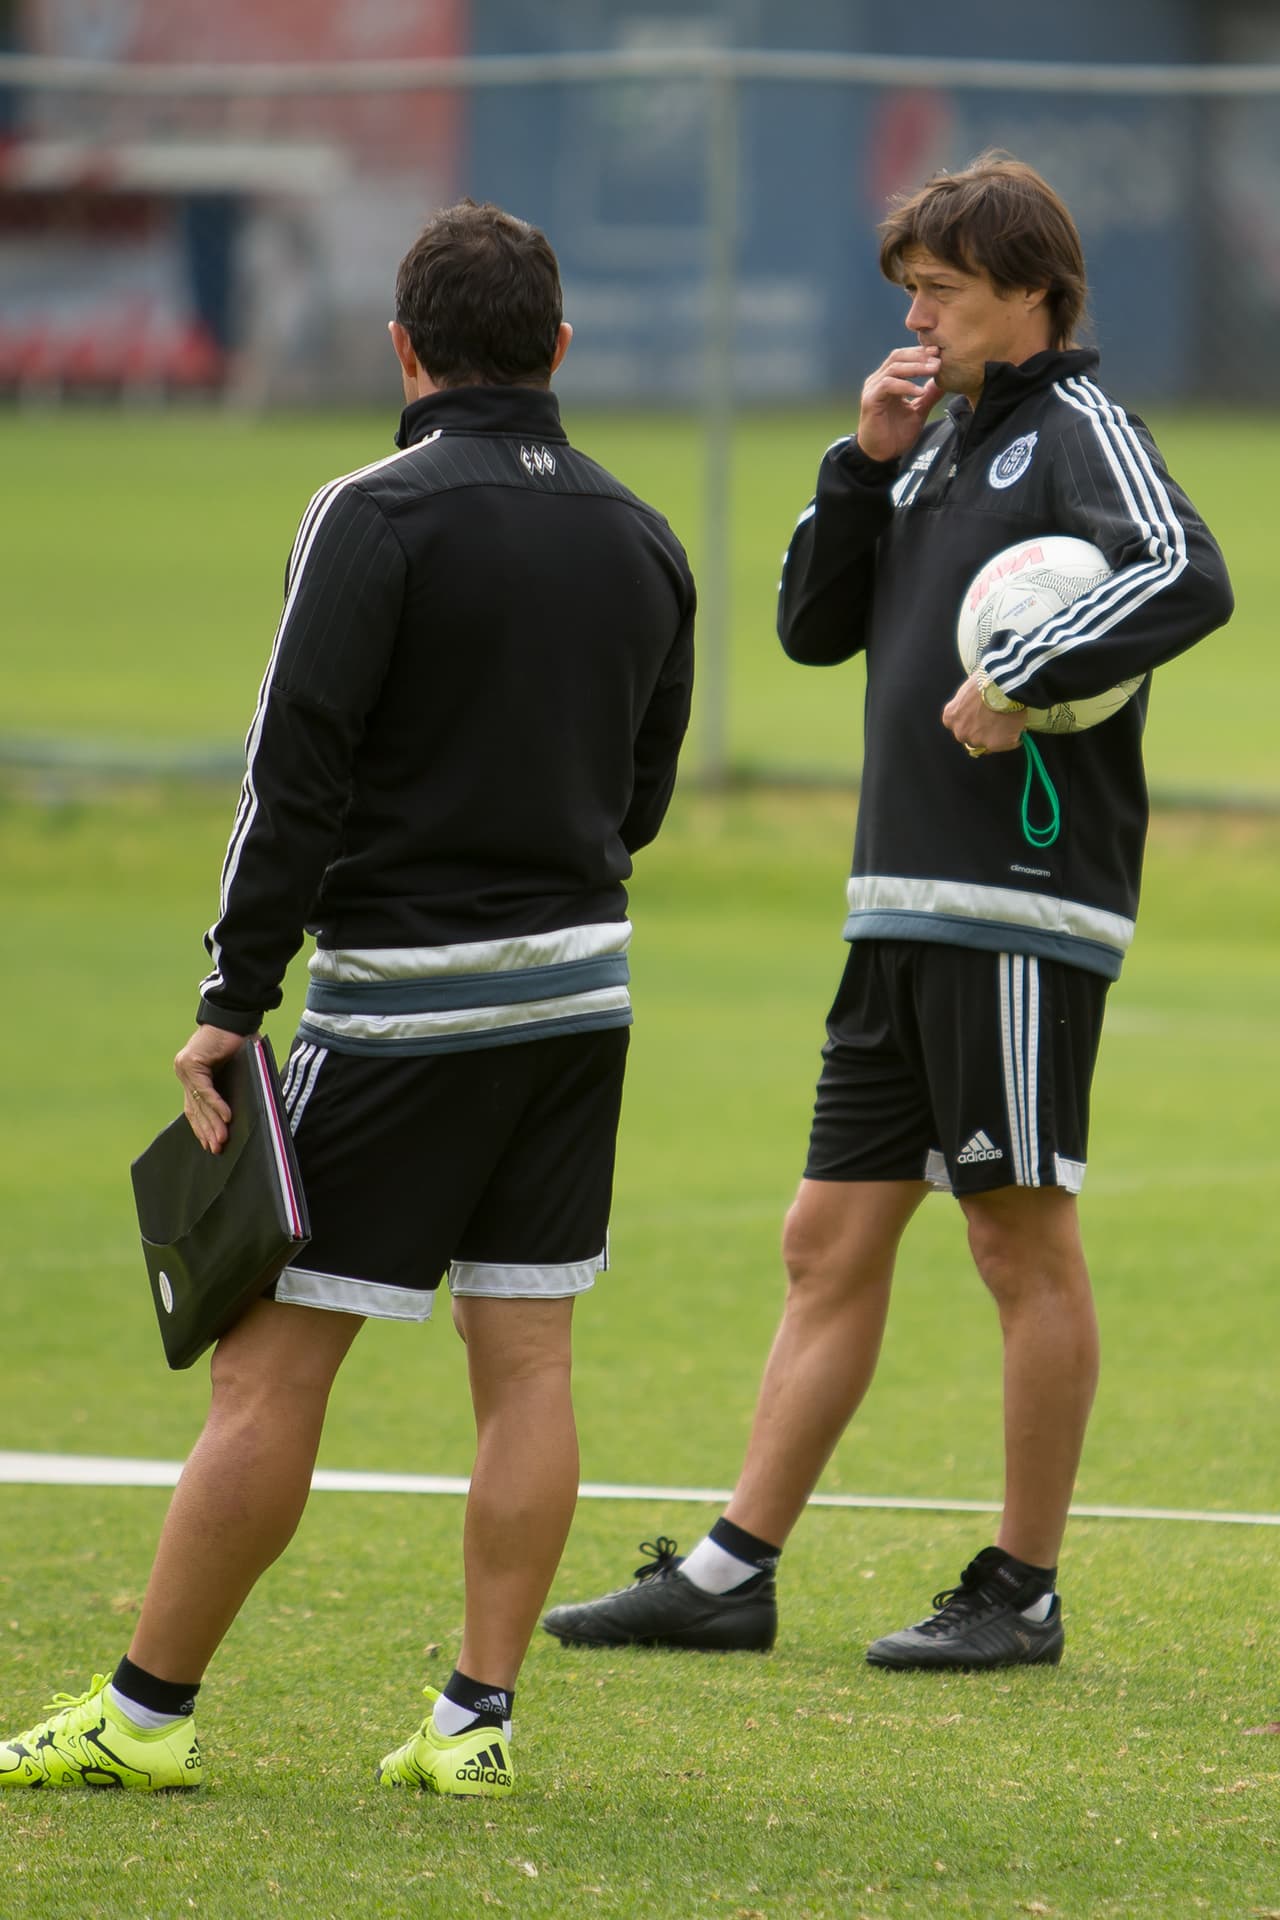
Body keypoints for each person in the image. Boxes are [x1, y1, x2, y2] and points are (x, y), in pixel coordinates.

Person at [0, 200, 694, 1795]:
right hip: (582, 996)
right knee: (528, 1364)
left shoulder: (369, 515)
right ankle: (478, 1725)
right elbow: (640, 794)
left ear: (403, 351)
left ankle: (143, 1715)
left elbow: (290, 781)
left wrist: (230, 997)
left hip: (398, 1013)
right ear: (560, 351)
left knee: (267, 1368)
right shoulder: (645, 531)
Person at [542, 151, 1233, 1672]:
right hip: (897, 904)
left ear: (1032, 294)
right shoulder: (927, 438)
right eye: (909, 288)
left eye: (944, 290)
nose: (918, 314)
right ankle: (732, 1573)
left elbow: (1191, 570)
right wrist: (861, 463)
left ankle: (1022, 1590)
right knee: (824, 1241)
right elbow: (806, 627)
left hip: (1015, 905)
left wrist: (1028, 675)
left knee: (1016, 1241)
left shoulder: (1080, 429)